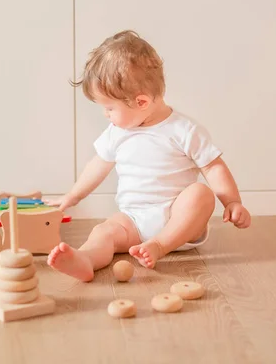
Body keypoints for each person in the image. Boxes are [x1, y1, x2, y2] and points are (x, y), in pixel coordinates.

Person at [44, 30, 250, 282]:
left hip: (179, 221)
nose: (105, 115)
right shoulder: (117, 132)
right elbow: (99, 164)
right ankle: (85, 259)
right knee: (103, 231)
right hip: (133, 220)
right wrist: (73, 195)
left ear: (141, 102)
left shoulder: (183, 130)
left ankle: (160, 245)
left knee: (201, 194)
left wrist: (232, 202)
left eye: (109, 108)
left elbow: (214, 167)